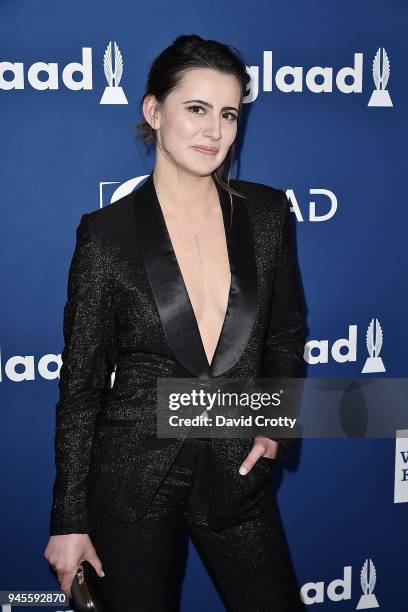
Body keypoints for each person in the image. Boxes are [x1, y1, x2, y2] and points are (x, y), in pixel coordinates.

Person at [44, 34, 307, 611]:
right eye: (196, 109)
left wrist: (273, 426)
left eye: (229, 114)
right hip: (131, 484)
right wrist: (69, 519)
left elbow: (285, 332)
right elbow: (83, 386)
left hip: (238, 474)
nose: (214, 131)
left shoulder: (266, 214)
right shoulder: (106, 236)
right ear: (153, 111)